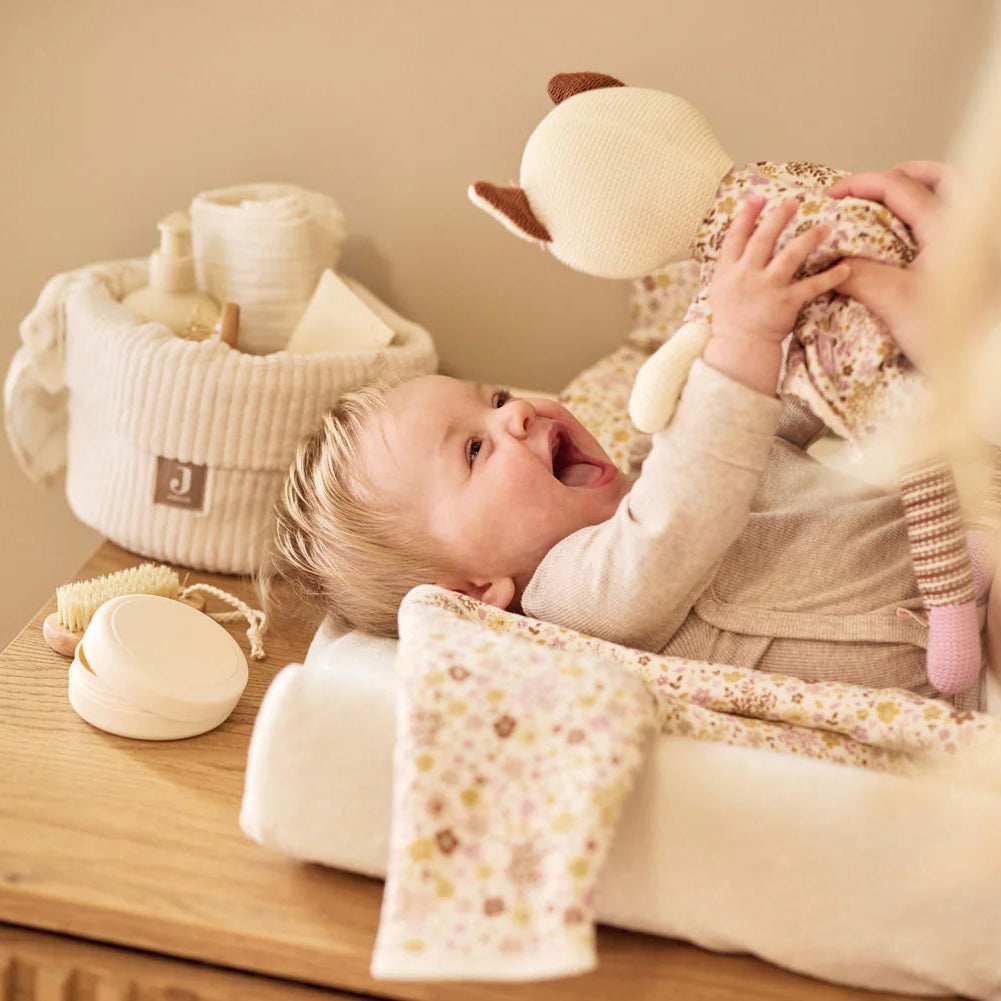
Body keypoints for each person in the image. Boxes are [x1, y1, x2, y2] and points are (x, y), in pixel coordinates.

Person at [262, 169, 992, 711]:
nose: (514, 414)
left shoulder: (659, 460)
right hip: (958, 639)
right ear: (476, 591)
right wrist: (740, 336)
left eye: (495, 397)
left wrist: (833, 321)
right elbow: (687, 508)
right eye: (474, 451)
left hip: (959, 536)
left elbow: (774, 417)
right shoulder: (574, 600)